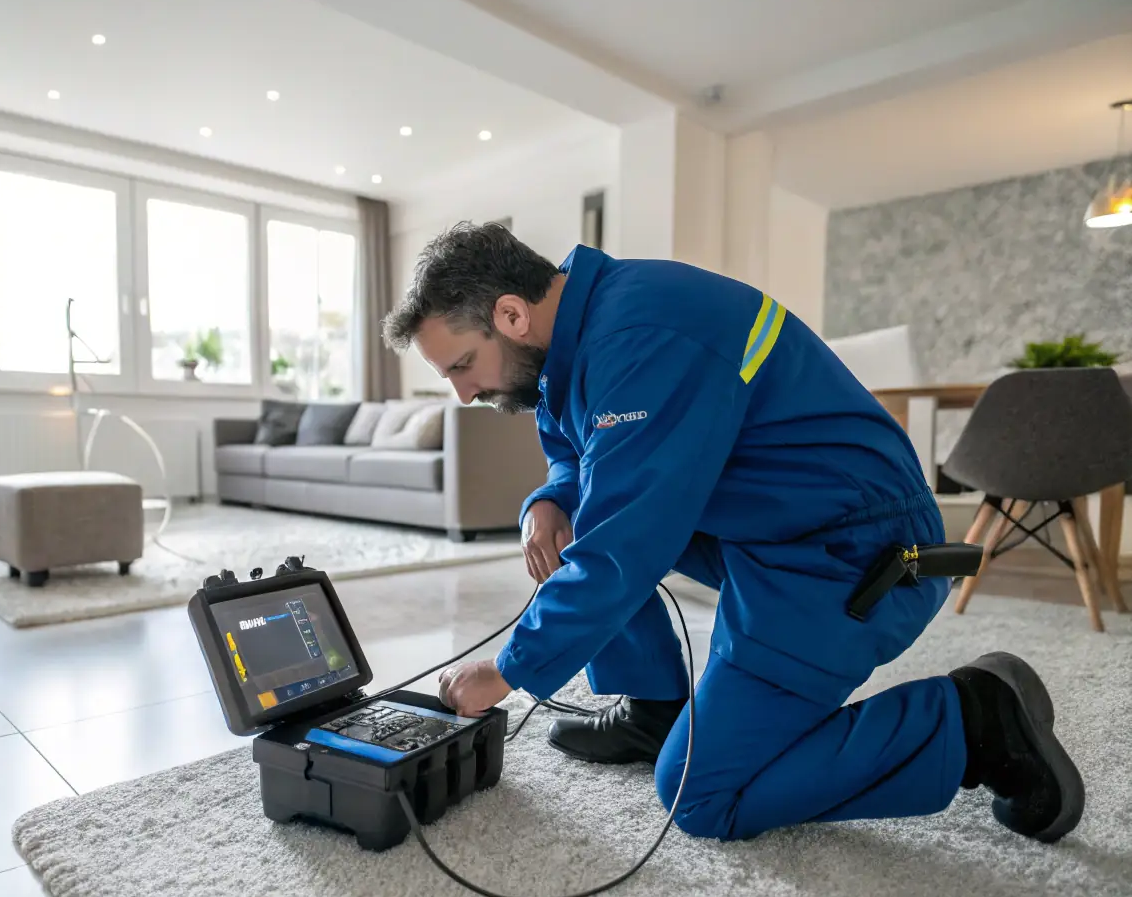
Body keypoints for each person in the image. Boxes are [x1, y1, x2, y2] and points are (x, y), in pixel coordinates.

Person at [381, 222, 1084, 844]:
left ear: (509, 314)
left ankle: (971, 720)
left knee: (700, 794)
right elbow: (578, 454)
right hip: (776, 535)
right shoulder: (576, 338)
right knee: (591, 523)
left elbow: (627, 544)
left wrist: (506, 671)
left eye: (461, 367)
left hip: (852, 556)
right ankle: (655, 704)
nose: (462, 395)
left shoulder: (639, 338)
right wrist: (547, 502)